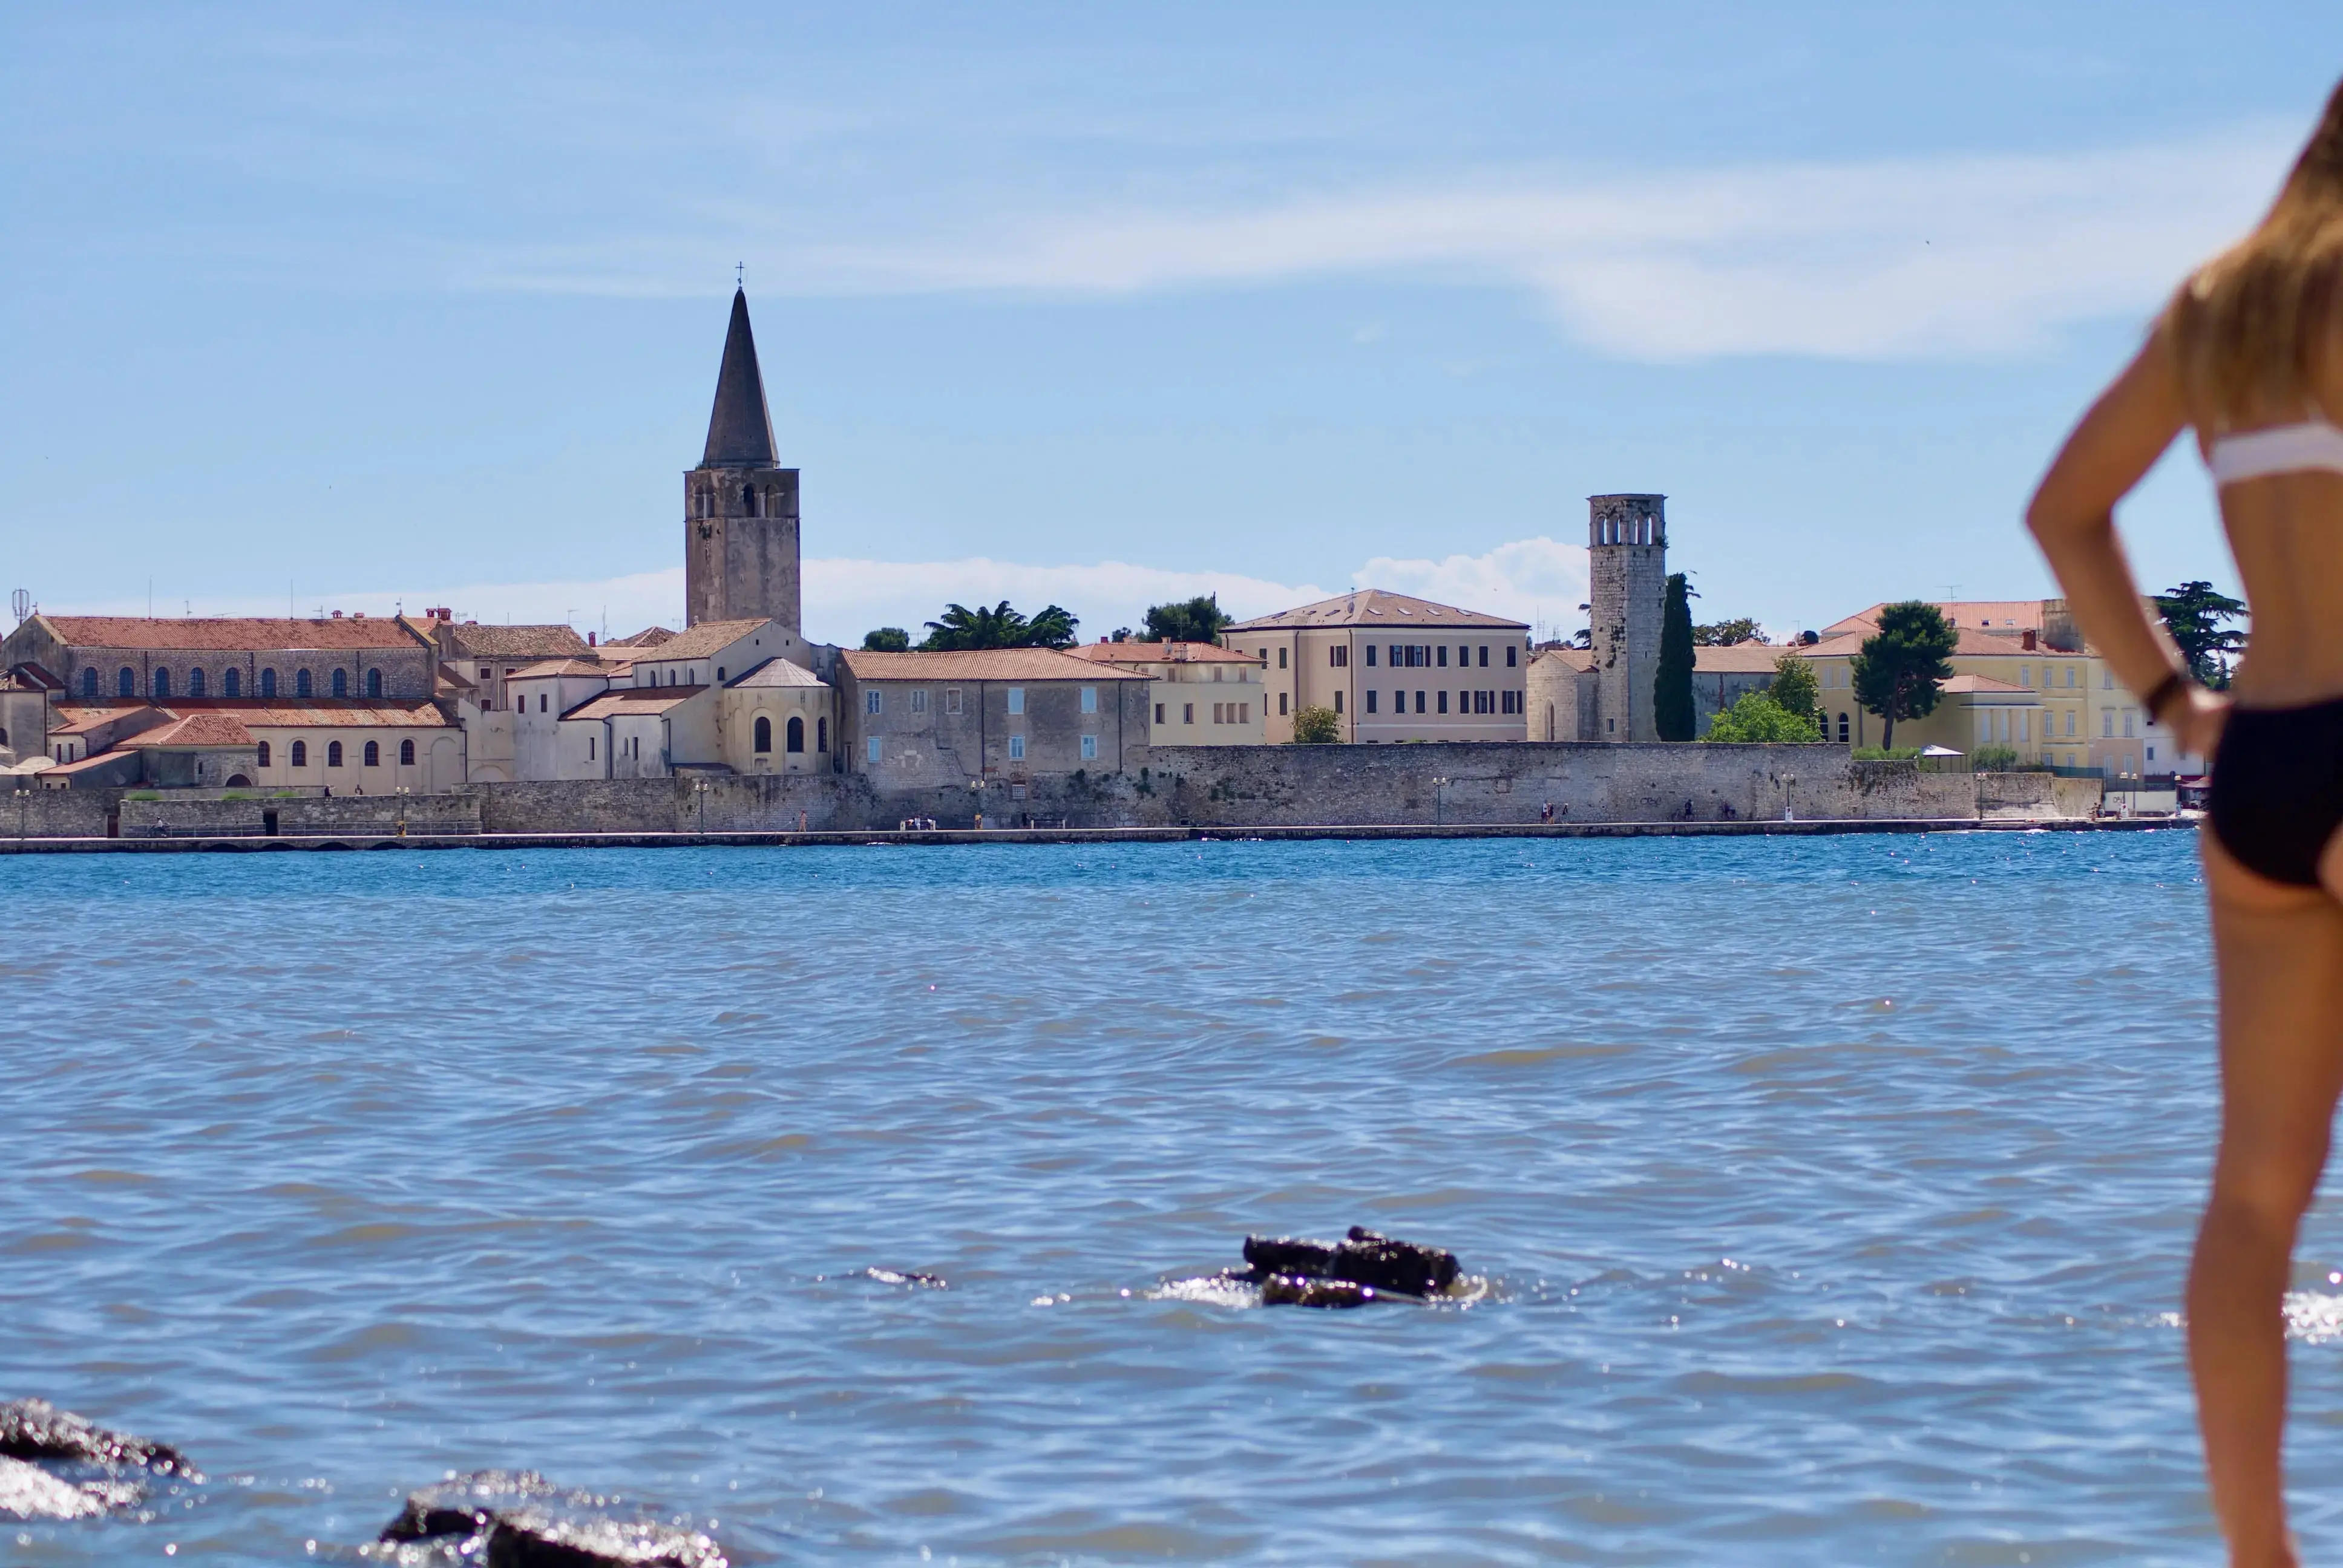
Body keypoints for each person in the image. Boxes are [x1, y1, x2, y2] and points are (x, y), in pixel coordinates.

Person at [2027, 79, 2343, 1568]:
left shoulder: (2221, 309)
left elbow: (2062, 509)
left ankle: (2255, 1553)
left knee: (2252, 1200)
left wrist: (2173, 701)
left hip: (2263, 766)